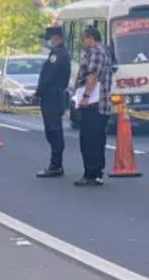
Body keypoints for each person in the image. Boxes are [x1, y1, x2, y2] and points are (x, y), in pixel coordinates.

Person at [74, 26, 112, 186]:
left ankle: (90, 173)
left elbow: (92, 76)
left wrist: (85, 97)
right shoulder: (105, 51)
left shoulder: (95, 52)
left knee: (88, 140)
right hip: (103, 104)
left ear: (91, 38)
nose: (82, 42)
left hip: (94, 103)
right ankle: (97, 173)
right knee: (98, 140)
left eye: (83, 38)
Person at [35, 26, 72, 178]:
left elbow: (48, 76)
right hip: (54, 95)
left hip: (52, 96)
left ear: (56, 37)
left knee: (53, 130)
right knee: (52, 129)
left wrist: (38, 92)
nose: (48, 41)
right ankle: (56, 163)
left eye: (49, 38)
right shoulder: (58, 53)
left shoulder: (58, 54)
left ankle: (56, 164)